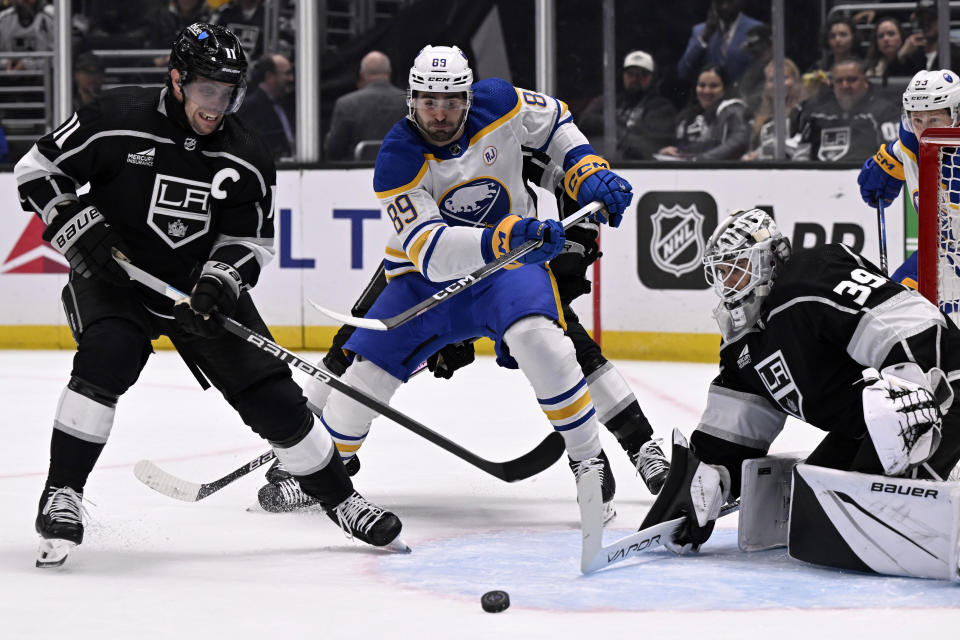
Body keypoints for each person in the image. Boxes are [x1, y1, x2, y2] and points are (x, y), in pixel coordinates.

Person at [13, 23, 404, 568]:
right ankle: (62, 494)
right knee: (108, 355)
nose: (216, 106)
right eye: (205, 90)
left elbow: (251, 240)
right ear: (176, 80)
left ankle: (342, 500)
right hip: (116, 275)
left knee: (275, 399)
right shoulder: (115, 118)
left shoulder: (246, 154)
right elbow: (37, 170)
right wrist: (73, 220)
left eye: (228, 92)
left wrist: (220, 279)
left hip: (197, 286)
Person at [290, 44, 635, 523]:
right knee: (363, 377)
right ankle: (329, 473)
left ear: (468, 98)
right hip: (424, 281)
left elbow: (555, 122)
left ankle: (587, 461)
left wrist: (586, 166)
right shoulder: (397, 157)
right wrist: (507, 235)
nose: (439, 113)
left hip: (510, 268)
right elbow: (431, 250)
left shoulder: (499, 102)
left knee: (543, 342)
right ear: (411, 99)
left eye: (450, 101)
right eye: (428, 102)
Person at [255, 145, 671, 512]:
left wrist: (571, 253)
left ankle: (641, 446)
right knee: (357, 342)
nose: (444, 113)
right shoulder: (416, 148)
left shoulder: (505, 135)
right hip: (425, 269)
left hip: (508, 268)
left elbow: (571, 180)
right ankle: (307, 452)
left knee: (568, 346)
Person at [640, 208, 960, 561]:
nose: (729, 281)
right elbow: (733, 434)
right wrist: (709, 480)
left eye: (737, 266)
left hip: (941, 398)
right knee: (813, 519)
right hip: (870, 430)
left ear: (769, 258)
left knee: (863, 528)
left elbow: (914, 326)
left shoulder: (811, 277)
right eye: (722, 272)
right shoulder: (741, 345)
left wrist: (914, 389)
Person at [857, 68, 960, 291]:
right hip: (938, 253)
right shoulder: (909, 145)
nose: (924, 131)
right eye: (917, 120)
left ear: (956, 116)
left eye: (934, 119)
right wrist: (879, 178)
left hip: (952, 259)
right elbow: (871, 184)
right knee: (891, 302)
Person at [576, 50, 676, 160]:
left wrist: (615, 130)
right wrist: (618, 126)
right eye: (630, 73)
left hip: (640, 167)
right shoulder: (610, 100)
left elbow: (649, 144)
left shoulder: (662, 107)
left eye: (642, 74)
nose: (635, 78)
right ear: (623, 75)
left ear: (652, 78)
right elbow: (584, 120)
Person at [793, 58, 900, 162]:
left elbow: (895, 155)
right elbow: (801, 154)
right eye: (839, 81)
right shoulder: (816, 113)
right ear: (832, 84)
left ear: (865, 81)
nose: (845, 85)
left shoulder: (884, 111)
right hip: (819, 176)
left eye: (852, 80)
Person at [324, 51, 407, 162]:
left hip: (357, 174)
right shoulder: (408, 102)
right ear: (389, 73)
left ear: (362, 74)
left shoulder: (346, 104)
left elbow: (334, 151)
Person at [658, 63, 751, 161]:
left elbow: (739, 142)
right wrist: (667, 151)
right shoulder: (686, 116)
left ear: (725, 88)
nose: (706, 91)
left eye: (713, 86)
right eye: (702, 85)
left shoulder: (733, 109)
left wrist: (700, 161)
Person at [676, 0, 765, 84]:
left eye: (730, 1)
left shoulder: (756, 29)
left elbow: (762, 73)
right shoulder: (700, 31)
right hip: (709, 95)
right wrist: (705, 38)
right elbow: (684, 72)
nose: (725, 6)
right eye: (720, 2)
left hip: (744, 96)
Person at [741, 58, 805, 161]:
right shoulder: (759, 119)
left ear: (795, 81)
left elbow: (803, 146)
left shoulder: (804, 112)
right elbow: (752, 150)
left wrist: (763, 152)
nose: (777, 84)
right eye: (771, 80)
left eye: (784, 78)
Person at [237, 52, 295, 160]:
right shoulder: (249, 107)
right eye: (287, 74)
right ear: (269, 76)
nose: (291, 79)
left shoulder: (288, 104)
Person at [898, 0, 960, 73]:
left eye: (931, 18)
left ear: (942, 19)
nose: (926, 23)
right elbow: (896, 80)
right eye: (922, 19)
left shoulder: (955, 54)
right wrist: (901, 56)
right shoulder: (913, 53)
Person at [0, 0, 54, 71]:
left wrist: (29, 65)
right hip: (7, 78)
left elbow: (60, 59)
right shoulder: (3, 19)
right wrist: (6, 63)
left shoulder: (53, 17)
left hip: (45, 79)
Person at [864, 16, 919, 80]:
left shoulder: (913, 62)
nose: (885, 39)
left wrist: (900, 56)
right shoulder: (871, 67)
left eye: (891, 34)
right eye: (881, 36)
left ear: (901, 37)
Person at [738, 24, 774, 114]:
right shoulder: (753, 68)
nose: (752, 51)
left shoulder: (780, 70)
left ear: (768, 45)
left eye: (755, 46)